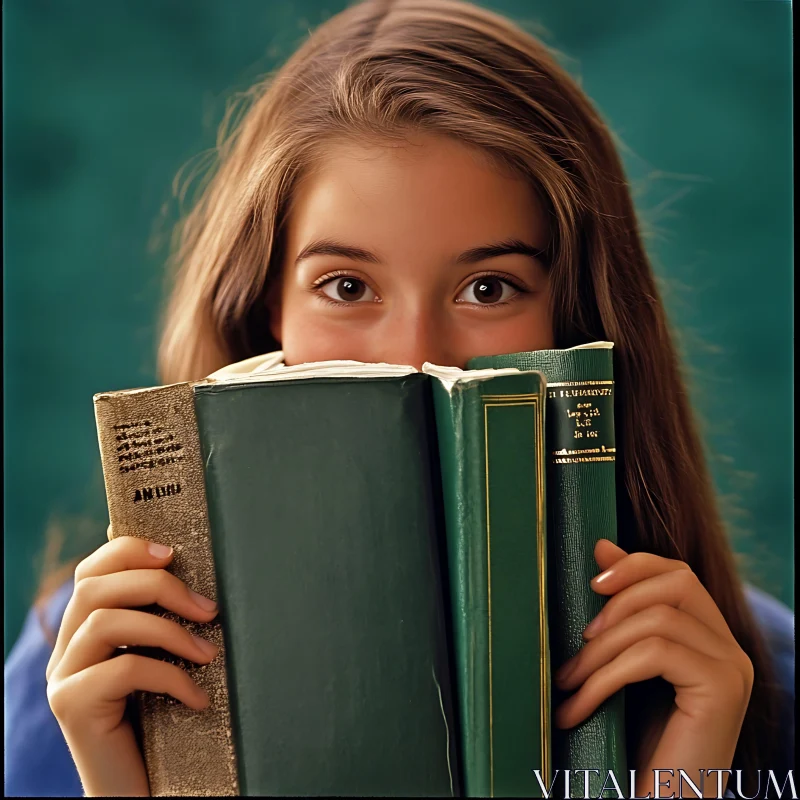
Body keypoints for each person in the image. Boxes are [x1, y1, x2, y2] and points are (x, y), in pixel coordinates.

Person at [5, 0, 794, 796]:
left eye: (489, 288)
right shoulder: (83, 684)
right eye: (347, 286)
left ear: (578, 321)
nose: (416, 358)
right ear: (263, 310)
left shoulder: (749, 686)